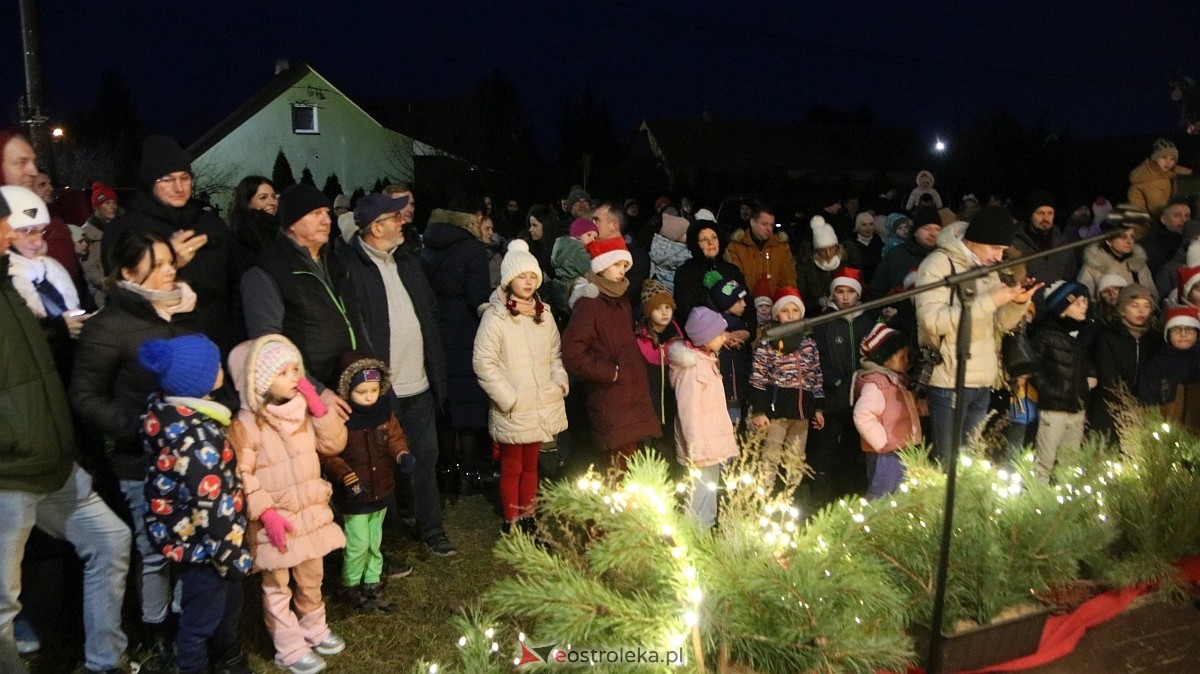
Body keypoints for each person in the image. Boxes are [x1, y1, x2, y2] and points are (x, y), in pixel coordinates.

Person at [0, 182, 136, 674]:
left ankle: (104, 659)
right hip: (12, 463)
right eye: (20, 227)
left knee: (109, 540)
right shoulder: (9, 282)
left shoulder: (33, 276)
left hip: (54, 446)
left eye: (39, 228)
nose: (34, 237)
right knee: (4, 595)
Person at [70, 226, 202, 660]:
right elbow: (85, 396)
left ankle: (189, 621)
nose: (171, 271)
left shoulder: (176, 310)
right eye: (159, 265)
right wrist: (140, 427)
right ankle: (155, 627)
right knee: (155, 551)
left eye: (170, 261)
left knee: (189, 542)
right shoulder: (110, 326)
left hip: (189, 453)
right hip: (141, 461)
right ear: (128, 271)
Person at [338, 192, 455, 558]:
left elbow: (429, 312)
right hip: (381, 391)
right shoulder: (351, 269)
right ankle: (386, 541)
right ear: (376, 227)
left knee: (425, 456)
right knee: (381, 464)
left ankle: (430, 527)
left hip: (418, 384)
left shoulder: (407, 261)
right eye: (394, 217)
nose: (402, 220)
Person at [227, 335, 348, 674]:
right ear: (261, 381)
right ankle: (289, 645)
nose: (295, 378)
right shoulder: (248, 424)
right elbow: (242, 474)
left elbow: (334, 443)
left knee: (312, 576)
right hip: (275, 522)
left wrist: (320, 409)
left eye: (297, 369)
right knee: (277, 585)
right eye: (284, 373)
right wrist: (266, 513)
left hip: (309, 513)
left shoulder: (304, 412)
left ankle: (314, 626)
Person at [137, 335, 254, 674]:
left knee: (228, 604)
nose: (220, 370)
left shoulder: (169, 415)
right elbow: (211, 505)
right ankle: (194, 665)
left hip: (194, 541)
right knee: (202, 617)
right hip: (207, 548)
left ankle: (226, 657)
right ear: (197, 382)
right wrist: (229, 556)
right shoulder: (197, 437)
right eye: (214, 367)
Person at [915, 206, 1039, 461]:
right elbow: (932, 322)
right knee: (947, 463)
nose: (998, 256)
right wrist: (990, 301)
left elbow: (998, 325)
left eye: (1003, 251)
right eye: (995, 248)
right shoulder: (938, 264)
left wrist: (1018, 303)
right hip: (950, 380)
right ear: (975, 239)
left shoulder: (988, 267)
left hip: (983, 379)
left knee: (970, 461)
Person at [102, 135, 240, 352]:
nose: (179, 187)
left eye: (185, 178)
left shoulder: (209, 222)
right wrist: (170, 262)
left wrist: (234, 336)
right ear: (150, 182)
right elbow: (120, 295)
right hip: (161, 347)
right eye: (167, 179)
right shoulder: (126, 229)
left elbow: (236, 280)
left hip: (218, 342)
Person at [472, 240, 569, 533]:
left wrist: (558, 382)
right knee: (513, 465)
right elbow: (484, 362)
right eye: (521, 276)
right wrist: (507, 397)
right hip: (514, 406)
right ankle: (511, 517)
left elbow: (555, 355)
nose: (527, 282)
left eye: (532, 277)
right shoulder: (496, 316)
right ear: (508, 279)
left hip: (540, 402)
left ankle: (529, 515)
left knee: (532, 464)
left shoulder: (544, 314)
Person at [242, 184, 364, 403]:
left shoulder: (335, 262)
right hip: (307, 398)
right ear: (292, 223)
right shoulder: (267, 271)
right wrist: (315, 392)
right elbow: (269, 347)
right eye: (316, 214)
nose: (327, 220)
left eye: (327, 213)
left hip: (353, 386)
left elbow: (356, 320)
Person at [322, 354, 414, 613]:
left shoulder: (384, 412)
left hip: (381, 488)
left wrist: (401, 454)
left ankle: (371, 580)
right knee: (357, 542)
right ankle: (350, 584)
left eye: (374, 390)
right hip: (355, 493)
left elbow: (394, 437)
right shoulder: (341, 418)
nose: (369, 396)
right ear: (348, 389)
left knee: (374, 539)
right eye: (361, 391)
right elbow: (329, 454)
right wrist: (347, 477)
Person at [562, 236, 661, 471]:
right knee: (617, 467)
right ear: (601, 266)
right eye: (616, 265)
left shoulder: (621, 302)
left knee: (630, 465)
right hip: (611, 398)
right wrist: (610, 373)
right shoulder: (590, 305)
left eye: (625, 266)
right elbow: (572, 351)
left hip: (631, 395)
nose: (622, 271)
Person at [420, 195, 495, 493]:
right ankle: (470, 471)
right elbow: (477, 295)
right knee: (467, 403)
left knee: (445, 403)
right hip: (465, 329)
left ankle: (446, 469)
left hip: (436, 328)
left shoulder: (429, 244)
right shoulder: (472, 249)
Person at [669, 307, 739, 528]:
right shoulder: (692, 369)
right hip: (701, 447)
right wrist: (696, 448)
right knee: (698, 499)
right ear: (706, 337)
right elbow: (689, 412)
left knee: (709, 497)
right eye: (719, 334)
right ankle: (694, 541)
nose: (724, 336)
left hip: (712, 445)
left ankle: (706, 537)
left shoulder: (707, 362)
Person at [748, 286, 826, 485]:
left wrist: (817, 407)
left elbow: (815, 376)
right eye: (785, 311)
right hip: (777, 413)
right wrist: (759, 411)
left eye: (795, 310)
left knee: (796, 459)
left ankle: (791, 499)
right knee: (770, 457)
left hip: (801, 413)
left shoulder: (809, 344)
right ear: (776, 314)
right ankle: (764, 496)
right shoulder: (767, 343)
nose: (791, 315)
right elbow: (758, 378)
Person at [811, 268, 876, 501]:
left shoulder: (867, 322)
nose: (846, 297)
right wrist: (837, 380)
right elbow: (818, 357)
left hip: (861, 396)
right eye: (840, 292)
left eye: (850, 291)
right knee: (827, 448)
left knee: (854, 447)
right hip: (834, 396)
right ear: (833, 294)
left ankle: (852, 493)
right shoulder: (824, 323)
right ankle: (822, 497)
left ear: (858, 294)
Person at [1028, 282, 1097, 482]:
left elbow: (1084, 362)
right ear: (1062, 309)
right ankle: (1037, 503)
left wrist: (1089, 377)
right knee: (1044, 462)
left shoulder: (1079, 336)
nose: (1084, 306)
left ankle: (1066, 505)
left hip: (1077, 408)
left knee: (1070, 463)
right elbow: (1034, 370)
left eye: (1085, 302)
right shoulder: (1046, 336)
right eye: (1078, 303)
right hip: (1055, 408)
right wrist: (1053, 390)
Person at [852, 323, 921, 500]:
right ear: (885, 358)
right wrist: (881, 442)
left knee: (899, 494)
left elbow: (904, 407)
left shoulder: (895, 381)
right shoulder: (877, 385)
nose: (907, 361)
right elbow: (862, 414)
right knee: (881, 495)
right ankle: (872, 525)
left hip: (902, 448)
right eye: (901, 356)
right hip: (886, 453)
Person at [1088, 284, 1159, 439]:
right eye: (1135, 306)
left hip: (1142, 409)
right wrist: (1125, 401)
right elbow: (1108, 376)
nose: (1141, 311)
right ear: (1122, 308)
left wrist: (1142, 403)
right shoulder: (1108, 337)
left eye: (1146, 306)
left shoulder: (1154, 340)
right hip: (1109, 409)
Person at [636, 279, 685, 453]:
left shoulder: (679, 339)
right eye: (657, 308)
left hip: (673, 407)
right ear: (649, 312)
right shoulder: (639, 340)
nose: (664, 313)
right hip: (648, 408)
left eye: (667, 307)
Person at [672, 217, 747, 328]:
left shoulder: (731, 270)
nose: (711, 242)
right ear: (695, 244)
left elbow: (748, 303)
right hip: (705, 336)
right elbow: (686, 311)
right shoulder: (685, 273)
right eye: (704, 240)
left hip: (738, 332)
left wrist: (747, 331)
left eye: (714, 237)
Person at [1137, 306, 1200, 433]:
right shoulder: (1156, 365)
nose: (1183, 334)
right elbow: (1148, 401)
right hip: (1167, 431)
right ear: (1168, 334)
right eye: (1177, 330)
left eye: (1189, 329)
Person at [702, 271, 753, 426]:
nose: (744, 304)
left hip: (741, 392)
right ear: (725, 304)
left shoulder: (742, 327)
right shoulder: (712, 330)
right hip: (723, 394)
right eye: (738, 301)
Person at [1077, 221, 1157, 304]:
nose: (1129, 241)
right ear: (1108, 241)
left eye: (1132, 237)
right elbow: (1085, 299)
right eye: (1123, 237)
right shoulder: (1093, 266)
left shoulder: (1138, 264)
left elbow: (1152, 296)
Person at [725, 204, 796, 296]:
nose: (769, 229)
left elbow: (788, 280)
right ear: (753, 222)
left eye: (771, 225)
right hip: (746, 303)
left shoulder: (781, 247)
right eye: (764, 224)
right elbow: (734, 281)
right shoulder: (736, 247)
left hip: (775, 304)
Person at [1010, 191, 1077, 285]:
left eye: (1050, 213)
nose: (1046, 218)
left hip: (1058, 296)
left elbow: (1071, 275)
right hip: (1028, 297)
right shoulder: (1016, 243)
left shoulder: (1063, 243)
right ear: (1031, 215)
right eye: (1040, 213)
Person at [796, 215, 861, 311]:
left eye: (831, 248)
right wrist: (817, 303)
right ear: (816, 251)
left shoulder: (848, 263)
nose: (828, 253)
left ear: (837, 247)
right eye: (822, 250)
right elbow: (801, 298)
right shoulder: (806, 269)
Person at [873, 209, 941, 295]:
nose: (933, 233)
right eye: (927, 228)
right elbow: (877, 290)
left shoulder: (946, 256)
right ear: (915, 232)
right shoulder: (895, 255)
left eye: (937, 229)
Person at [546, 217, 598, 316]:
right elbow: (591, 271)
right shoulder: (581, 251)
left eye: (595, 237)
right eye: (589, 235)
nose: (592, 239)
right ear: (578, 235)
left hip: (559, 289)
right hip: (573, 291)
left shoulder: (561, 247)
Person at [1127, 138, 1192, 216]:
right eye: (1164, 157)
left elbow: (1181, 171)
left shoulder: (1166, 172)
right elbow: (1158, 210)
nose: (1168, 162)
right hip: (1150, 223)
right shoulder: (1151, 180)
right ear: (1155, 158)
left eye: (1172, 159)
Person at [80, 181, 119, 305]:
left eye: (114, 202)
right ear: (97, 207)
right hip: (102, 291)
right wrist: (105, 283)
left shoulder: (117, 228)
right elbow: (88, 267)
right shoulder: (86, 233)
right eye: (108, 203)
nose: (113, 207)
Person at [227, 175, 279, 263]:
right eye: (263, 197)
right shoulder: (245, 234)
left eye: (274, 197)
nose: (272, 202)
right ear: (247, 202)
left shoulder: (280, 228)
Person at [1143, 198, 1193, 273]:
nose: (1184, 220)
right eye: (1177, 216)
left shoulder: (1191, 238)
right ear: (1163, 219)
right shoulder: (1154, 243)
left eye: (1187, 216)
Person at [518, 204, 559, 281]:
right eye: (530, 225)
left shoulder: (559, 250)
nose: (530, 229)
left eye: (534, 225)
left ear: (546, 225)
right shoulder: (530, 248)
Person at [848, 211, 883, 284]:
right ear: (857, 226)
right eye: (864, 225)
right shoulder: (851, 244)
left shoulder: (877, 240)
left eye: (871, 224)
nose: (868, 228)